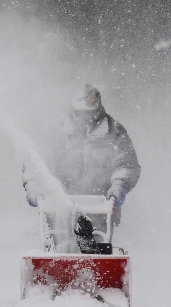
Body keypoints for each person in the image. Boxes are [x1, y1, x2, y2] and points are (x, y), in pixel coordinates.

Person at [23, 85, 140, 251]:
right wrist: (34, 185)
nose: (87, 119)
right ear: (73, 110)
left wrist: (119, 185)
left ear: (98, 110)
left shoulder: (114, 132)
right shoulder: (56, 132)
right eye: (82, 114)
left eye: (91, 114)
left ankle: (96, 274)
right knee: (63, 250)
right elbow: (37, 163)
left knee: (96, 251)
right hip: (60, 208)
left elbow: (126, 163)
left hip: (101, 207)